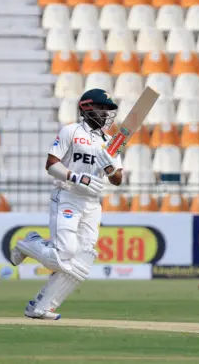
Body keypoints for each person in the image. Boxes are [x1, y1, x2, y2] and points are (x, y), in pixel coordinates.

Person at [10, 89, 123, 320]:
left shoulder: (110, 142)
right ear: (87, 108)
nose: (105, 114)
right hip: (68, 196)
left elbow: (117, 179)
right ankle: (29, 242)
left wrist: (110, 167)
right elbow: (51, 164)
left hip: (92, 204)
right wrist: (76, 177)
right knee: (64, 254)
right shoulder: (71, 131)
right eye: (101, 108)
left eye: (107, 110)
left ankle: (41, 307)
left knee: (82, 262)